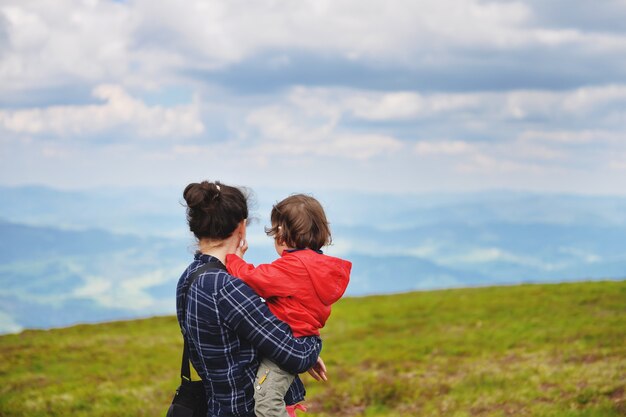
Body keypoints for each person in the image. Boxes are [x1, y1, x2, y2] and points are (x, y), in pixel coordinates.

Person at [176, 181, 326, 417]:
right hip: (246, 409)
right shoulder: (227, 288)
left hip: (216, 407)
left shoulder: (190, 277)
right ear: (242, 227)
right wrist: (312, 348)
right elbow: (296, 356)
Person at [226, 194, 352, 417]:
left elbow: (252, 278)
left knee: (267, 403)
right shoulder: (319, 267)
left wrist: (233, 258)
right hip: (307, 341)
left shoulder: (292, 268)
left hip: (289, 344)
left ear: (282, 235)